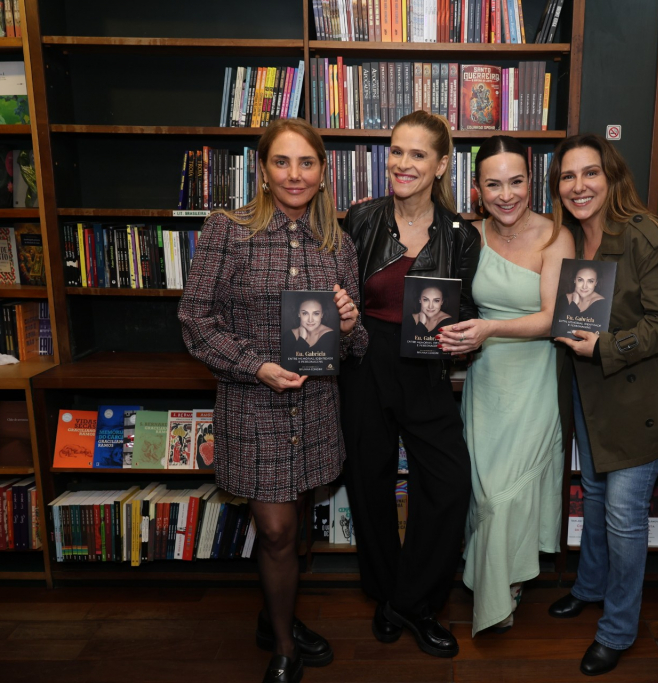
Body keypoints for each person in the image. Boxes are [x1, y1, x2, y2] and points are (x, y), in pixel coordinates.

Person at [178, 119, 365, 683]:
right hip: (252, 405)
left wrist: (353, 324)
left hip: (315, 409)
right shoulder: (226, 231)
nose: (294, 174)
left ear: (322, 172)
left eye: (306, 163)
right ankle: (284, 646)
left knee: (299, 523)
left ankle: (274, 615)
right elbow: (194, 319)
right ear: (263, 170)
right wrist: (254, 365)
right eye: (282, 162)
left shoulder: (338, 242)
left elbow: (355, 346)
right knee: (278, 530)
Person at [546, 133, 658, 677]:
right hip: (592, 394)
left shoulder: (647, 234)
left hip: (642, 399)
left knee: (623, 513)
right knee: (590, 492)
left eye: (590, 173)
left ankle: (617, 629)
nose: (579, 185)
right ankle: (589, 588)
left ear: (612, 177)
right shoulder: (571, 239)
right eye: (568, 176)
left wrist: (606, 346)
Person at [339, 110, 480, 659]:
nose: (403, 163)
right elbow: (337, 290)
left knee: (447, 484)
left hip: (425, 366)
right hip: (364, 360)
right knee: (368, 481)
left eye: (418, 154)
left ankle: (415, 600)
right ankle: (386, 594)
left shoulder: (460, 235)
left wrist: (464, 332)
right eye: (396, 151)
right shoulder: (360, 220)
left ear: (442, 164)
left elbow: (465, 303)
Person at [438, 135, 574, 635]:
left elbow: (552, 318)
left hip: (535, 376)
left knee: (504, 495)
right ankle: (497, 582)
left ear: (531, 181)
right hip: (485, 378)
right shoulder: (466, 233)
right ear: (476, 190)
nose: (506, 194)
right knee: (480, 489)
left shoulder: (555, 235)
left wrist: (489, 328)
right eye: (493, 184)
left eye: (516, 181)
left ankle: (501, 590)